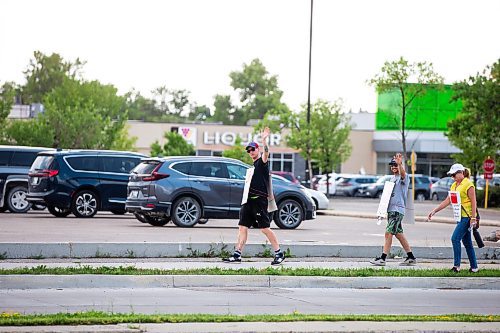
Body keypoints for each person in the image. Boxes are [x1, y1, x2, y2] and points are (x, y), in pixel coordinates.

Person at [223, 127, 285, 265]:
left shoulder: (262, 163)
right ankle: (237, 254)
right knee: (242, 227)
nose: (251, 152)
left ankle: (279, 253)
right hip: (248, 202)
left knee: (264, 228)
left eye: (253, 149)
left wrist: (264, 140)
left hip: (259, 201)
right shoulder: (252, 167)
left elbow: (267, 153)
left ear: (258, 149)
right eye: (249, 150)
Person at [428, 163, 479, 273]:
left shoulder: (468, 184)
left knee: (455, 239)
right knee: (467, 243)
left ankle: (457, 266)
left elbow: (474, 201)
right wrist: (435, 211)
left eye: (454, 175)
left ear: (461, 173)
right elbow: (448, 200)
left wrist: (473, 218)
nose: (453, 177)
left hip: (467, 217)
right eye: (451, 175)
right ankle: (474, 267)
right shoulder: (454, 185)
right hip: (459, 217)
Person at [370, 153, 417, 266]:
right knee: (398, 234)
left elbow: (403, 174)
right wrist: (382, 211)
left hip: (397, 210)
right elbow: (387, 196)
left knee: (388, 233)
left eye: (396, 165)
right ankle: (411, 257)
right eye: (392, 165)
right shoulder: (391, 178)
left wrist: (400, 164)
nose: (394, 167)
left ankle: (383, 258)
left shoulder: (404, 178)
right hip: (391, 210)